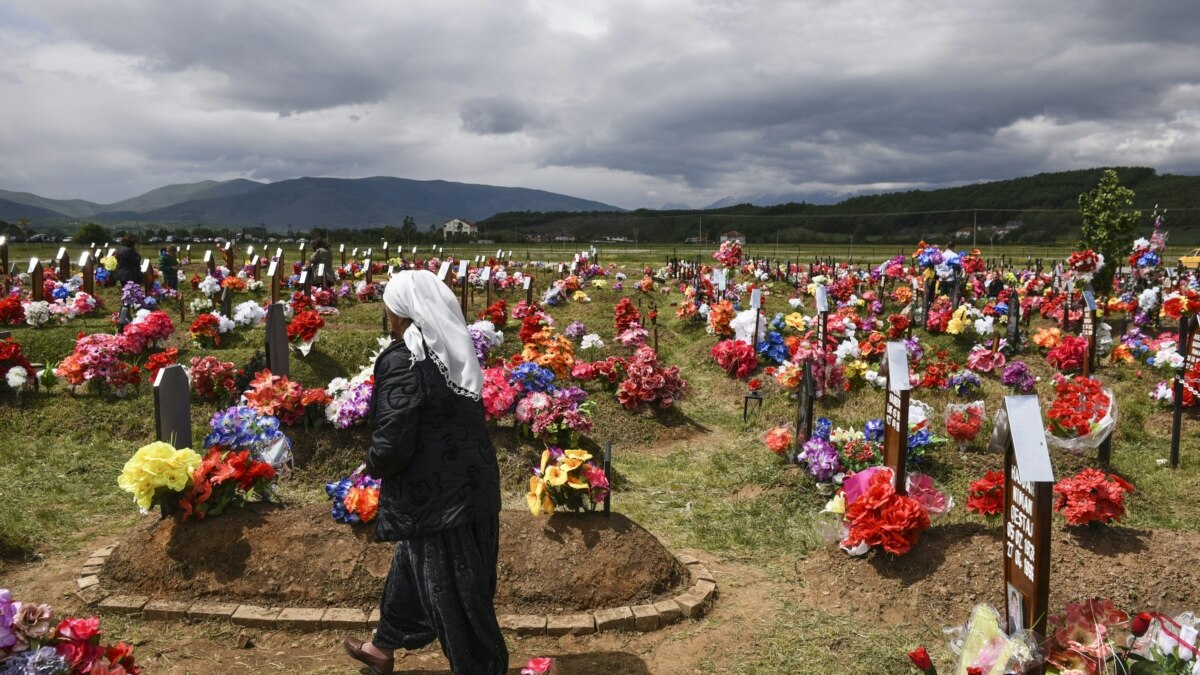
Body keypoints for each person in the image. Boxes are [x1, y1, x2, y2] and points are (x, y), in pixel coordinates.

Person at [343, 270, 507, 675]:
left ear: (399, 311)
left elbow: (394, 440)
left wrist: (373, 465)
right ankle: (383, 645)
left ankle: (483, 668)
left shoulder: (404, 359)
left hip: (436, 501)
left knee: (453, 592)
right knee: (417, 565)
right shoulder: (455, 349)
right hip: (472, 487)